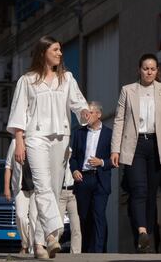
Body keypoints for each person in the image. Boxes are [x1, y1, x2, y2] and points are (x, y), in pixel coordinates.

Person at [7, 35, 91, 259]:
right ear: (43, 52)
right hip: (35, 137)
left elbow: (78, 104)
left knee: (53, 190)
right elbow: (18, 114)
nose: (60, 53)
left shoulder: (67, 78)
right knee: (42, 186)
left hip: (61, 138)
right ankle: (53, 236)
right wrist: (19, 142)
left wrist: (84, 113)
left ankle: (39, 243)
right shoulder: (27, 80)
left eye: (61, 50)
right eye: (56, 49)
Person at [110, 53, 161, 253]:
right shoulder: (128, 91)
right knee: (139, 190)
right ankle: (142, 231)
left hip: (157, 146)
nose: (149, 72)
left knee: (152, 193)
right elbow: (119, 120)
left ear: (157, 71)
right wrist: (115, 149)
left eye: (153, 68)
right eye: (146, 68)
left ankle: (147, 238)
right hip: (135, 145)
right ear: (139, 69)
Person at [70, 101, 113, 253]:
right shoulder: (78, 133)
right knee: (84, 216)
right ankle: (87, 250)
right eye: (85, 113)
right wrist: (74, 170)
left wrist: (101, 162)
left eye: (90, 112)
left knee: (99, 214)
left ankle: (99, 251)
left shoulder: (109, 134)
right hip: (83, 179)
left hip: (100, 178)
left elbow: (115, 160)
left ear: (99, 115)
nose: (86, 116)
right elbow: (73, 157)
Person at [4, 138, 37, 254]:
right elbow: (8, 166)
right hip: (19, 187)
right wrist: (6, 188)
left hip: (35, 188)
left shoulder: (37, 140)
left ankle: (33, 248)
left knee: (34, 218)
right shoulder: (14, 143)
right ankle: (25, 243)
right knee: (20, 216)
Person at [59, 150, 81, 254]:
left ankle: (75, 254)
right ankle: (52, 249)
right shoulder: (57, 153)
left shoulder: (76, 154)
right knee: (58, 227)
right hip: (61, 193)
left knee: (76, 226)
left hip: (73, 192)